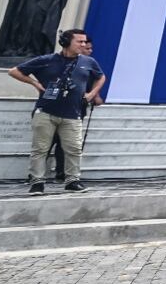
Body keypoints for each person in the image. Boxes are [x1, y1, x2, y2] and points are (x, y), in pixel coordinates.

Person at [9, 28, 104, 195]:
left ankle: (72, 180)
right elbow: (14, 71)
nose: (83, 45)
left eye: (84, 42)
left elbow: (101, 77)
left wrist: (91, 94)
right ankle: (37, 181)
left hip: (73, 113)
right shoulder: (47, 60)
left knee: (74, 148)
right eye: (79, 41)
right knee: (40, 148)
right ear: (66, 42)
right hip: (46, 111)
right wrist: (35, 84)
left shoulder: (89, 62)